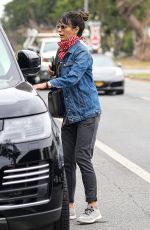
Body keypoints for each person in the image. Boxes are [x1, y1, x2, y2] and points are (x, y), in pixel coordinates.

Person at [34, 10, 102, 224]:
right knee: (67, 162)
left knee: (83, 157)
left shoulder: (81, 51)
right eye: (58, 26)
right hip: (70, 113)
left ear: (76, 30)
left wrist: (47, 84)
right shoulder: (62, 51)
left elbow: (72, 78)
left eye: (63, 27)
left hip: (87, 112)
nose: (59, 30)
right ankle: (70, 206)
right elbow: (63, 75)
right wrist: (54, 73)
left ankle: (93, 207)